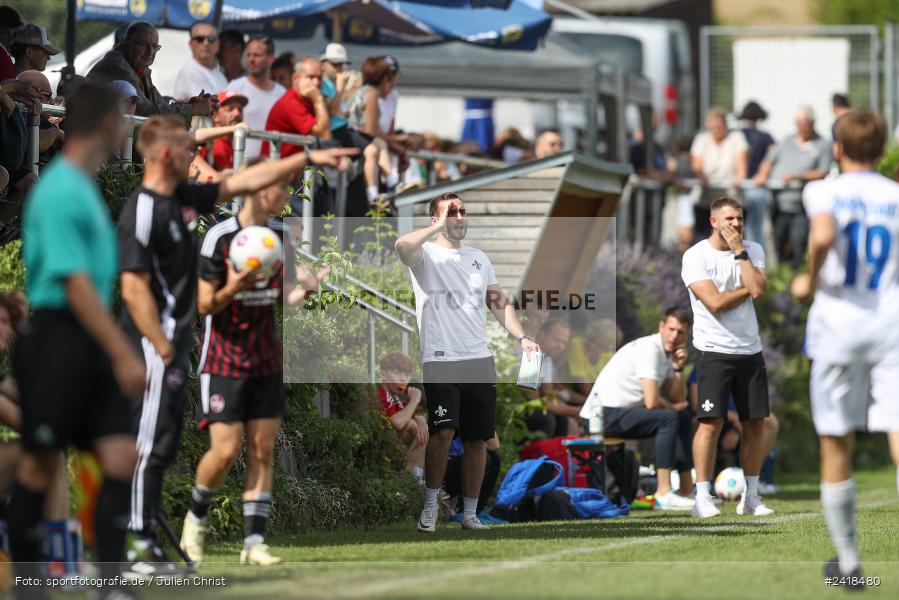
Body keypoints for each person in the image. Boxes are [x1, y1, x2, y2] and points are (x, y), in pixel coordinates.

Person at [118, 114, 353, 577]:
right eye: (189, 151)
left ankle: (209, 541)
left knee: (168, 443)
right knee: (157, 446)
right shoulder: (150, 210)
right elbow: (134, 290)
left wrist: (304, 157)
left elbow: (240, 178)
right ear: (168, 155)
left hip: (231, 351)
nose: (198, 159)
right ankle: (139, 543)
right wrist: (164, 344)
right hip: (169, 347)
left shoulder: (185, 198)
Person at [9, 80, 145, 600]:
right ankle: (29, 588)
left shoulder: (81, 186)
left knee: (119, 457)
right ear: (109, 124)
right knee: (40, 463)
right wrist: (119, 349)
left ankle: (109, 586)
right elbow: (74, 283)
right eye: (124, 117)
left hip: (86, 339)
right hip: (58, 338)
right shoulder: (63, 188)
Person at [179, 154, 334, 567]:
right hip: (224, 357)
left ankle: (254, 543)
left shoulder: (281, 236)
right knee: (226, 451)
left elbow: (283, 300)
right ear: (255, 187)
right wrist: (235, 283)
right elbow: (205, 304)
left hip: (265, 357)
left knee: (263, 450)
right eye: (280, 186)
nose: (285, 195)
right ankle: (194, 522)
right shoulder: (219, 237)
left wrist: (310, 289)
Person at [791, 110, 899, 588]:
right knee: (897, 426)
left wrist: (807, 279)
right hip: (889, 321)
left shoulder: (824, 190)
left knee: (835, 435)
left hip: (838, 322)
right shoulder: (896, 195)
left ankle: (850, 562)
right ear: (881, 149)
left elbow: (824, 235)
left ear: (837, 149)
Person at [395, 192, 540, 532]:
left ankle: (470, 513)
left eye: (463, 211)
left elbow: (498, 303)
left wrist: (522, 337)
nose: (460, 217)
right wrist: (436, 227)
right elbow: (402, 245)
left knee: (479, 439)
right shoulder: (425, 254)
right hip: (441, 358)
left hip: (479, 360)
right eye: (452, 212)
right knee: (443, 432)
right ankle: (430, 506)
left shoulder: (479, 258)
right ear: (436, 220)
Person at [681, 196, 773, 518]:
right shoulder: (695, 256)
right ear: (713, 221)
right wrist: (748, 287)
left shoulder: (752, 250)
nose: (736, 225)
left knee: (755, 425)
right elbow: (715, 303)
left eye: (739, 219)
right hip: (713, 351)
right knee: (710, 424)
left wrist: (740, 253)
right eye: (730, 219)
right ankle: (702, 497)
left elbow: (759, 289)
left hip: (750, 350)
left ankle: (752, 496)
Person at [579, 307, 695, 510]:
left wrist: (678, 368)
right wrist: (673, 407)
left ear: (686, 335)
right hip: (599, 415)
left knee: (682, 417)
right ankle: (663, 493)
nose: (674, 336)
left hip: (615, 413)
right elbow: (651, 401)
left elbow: (678, 396)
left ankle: (687, 490)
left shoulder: (667, 355)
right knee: (669, 418)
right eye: (671, 329)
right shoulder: (650, 348)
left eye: (680, 332)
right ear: (661, 326)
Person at [88, 21, 215, 122]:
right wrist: (192, 109)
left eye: (155, 46)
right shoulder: (118, 67)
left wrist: (187, 104)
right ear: (127, 44)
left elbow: (157, 102)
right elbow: (147, 112)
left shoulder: (138, 67)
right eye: (143, 45)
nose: (150, 52)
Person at [753, 106, 831, 269]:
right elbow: (769, 160)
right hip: (779, 202)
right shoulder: (787, 141)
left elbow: (822, 172)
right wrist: (762, 174)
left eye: (805, 124)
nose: (801, 128)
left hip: (801, 205)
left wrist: (798, 176)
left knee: (798, 240)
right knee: (777, 239)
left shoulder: (822, 144)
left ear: (812, 124)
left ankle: (797, 274)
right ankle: (781, 277)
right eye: (798, 124)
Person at [690, 108, 749, 236]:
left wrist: (739, 176)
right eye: (712, 127)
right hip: (706, 200)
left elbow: (741, 165)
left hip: (731, 199)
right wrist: (702, 177)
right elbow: (696, 166)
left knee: (732, 240)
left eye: (719, 126)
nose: (716, 130)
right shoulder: (701, 139)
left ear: (725, 125)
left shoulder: (736, 138)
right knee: (704, 238)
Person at [228, 36, 285, 157]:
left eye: (257, 55)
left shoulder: (282, 93)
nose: (251, 59)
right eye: (248, 55)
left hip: (273, 162)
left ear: (270, 59)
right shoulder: (235, 87)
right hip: (242, 163)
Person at [264, 57, 331, 158]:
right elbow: (324, 135)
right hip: (280, 168)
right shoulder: (290, 102)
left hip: (296, 166)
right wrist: (318, 100)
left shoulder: (308, 99)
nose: (317, 82)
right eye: (311, 77)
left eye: (319, 78)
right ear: (295, 79)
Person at [525, 318, 581, 438]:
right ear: (541, 334)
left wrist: (574, 410)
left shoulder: (547, 359)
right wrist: (575, 411)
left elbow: (549, 396)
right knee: (545, 419)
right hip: (516, 409)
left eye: (563, 342)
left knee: (563, 419)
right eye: (556, 340)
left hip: (532, 405)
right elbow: (533, 401)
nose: (560, 346)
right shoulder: (529, 354)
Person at [376, 351, 428, 481]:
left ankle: (414, 479)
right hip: (377, 447)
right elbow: (398, 422)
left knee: (424, 432)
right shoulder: (381, 393)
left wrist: (420, 419)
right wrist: (414, 400)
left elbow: (407, 416)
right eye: (397, 373)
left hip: (390, 445)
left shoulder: (395, 398)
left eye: (406, 374)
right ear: (383, 375)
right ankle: (401, 478)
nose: (403, 379)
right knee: (411, 426)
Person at [739, 101, 775, 245]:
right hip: (758, 186)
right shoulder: (766, 137)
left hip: (741, 185)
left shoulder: (738, 135)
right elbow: (772, 158)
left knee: (742, 225)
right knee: (758, 227)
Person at [173, 22, 228, 100]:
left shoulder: (219, 74)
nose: (206, 43)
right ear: (191, 44)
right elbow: (209, 107)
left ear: (218, 44)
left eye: (211, 39)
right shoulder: (190, 71)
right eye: (200, 39)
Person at [0, 5, 22, 82]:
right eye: (4, 32)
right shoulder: (2, 54)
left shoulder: (5, 55)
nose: (11, 39)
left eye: (13, 34)